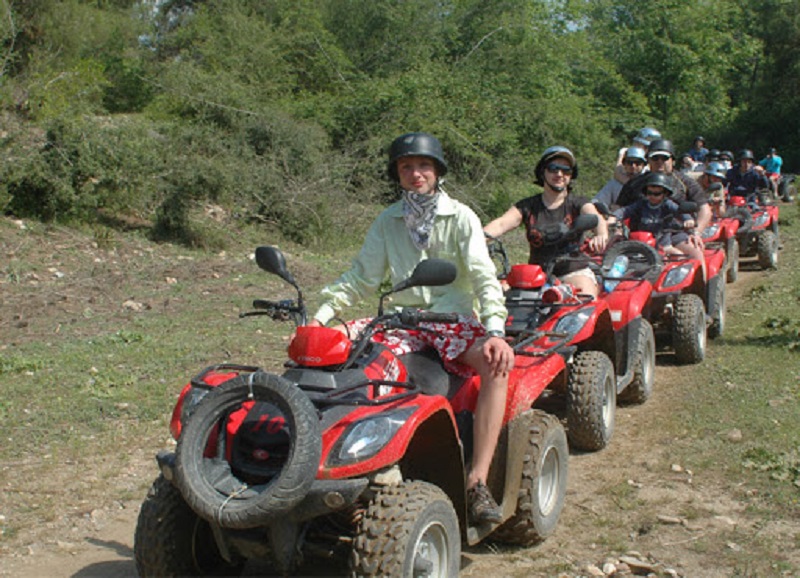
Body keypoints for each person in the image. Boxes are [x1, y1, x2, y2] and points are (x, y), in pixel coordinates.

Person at [306, 132, 514, 524]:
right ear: (397, 173)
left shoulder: (462, 216)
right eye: (406, 166)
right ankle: (326, 459)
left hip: (452, 320)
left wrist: (496, 331)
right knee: (332, 351)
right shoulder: (389, 220)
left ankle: (477, 481)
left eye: (423, 165)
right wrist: (320, 316)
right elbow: (361, 278)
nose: (415, 173)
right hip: (402, 320)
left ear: (436, 171)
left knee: (496, 365)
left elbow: (484, 277)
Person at [484, 146, 609, 298]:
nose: (559, 174)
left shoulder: (578, 202)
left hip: (573, 272)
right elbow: (501, 223)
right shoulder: (528, 206)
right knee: (496, 299)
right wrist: (475, 240)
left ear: (571, 175)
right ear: (543, 171)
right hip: (535, 276)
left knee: (586, 304)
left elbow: (595, 217)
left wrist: (601, 234)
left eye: (566, 170)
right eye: (553, 168)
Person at [615, 139, 710, 265]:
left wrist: (696, 233)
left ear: (673, 160)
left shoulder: (686, 183)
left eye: (664, 158)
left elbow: (705, 209)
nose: (660, 162)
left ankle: (701, 285)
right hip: (637, 236)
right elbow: (618, 208)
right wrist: (616, 230)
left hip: (676, 235)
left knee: (696, 256)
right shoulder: (634, 183)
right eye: (655, 158)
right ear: (648, 161)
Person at [613, 172, 693, 256]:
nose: (652, 196)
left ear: (665, 194)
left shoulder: (668, 204)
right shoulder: (641, 204)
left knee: (680, 257)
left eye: (656, 194)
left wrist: (688, 220)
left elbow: (680, 211)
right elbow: (626, 210)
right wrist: (614, 217)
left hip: (663, 245)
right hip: (640, 244)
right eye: (649, 193)